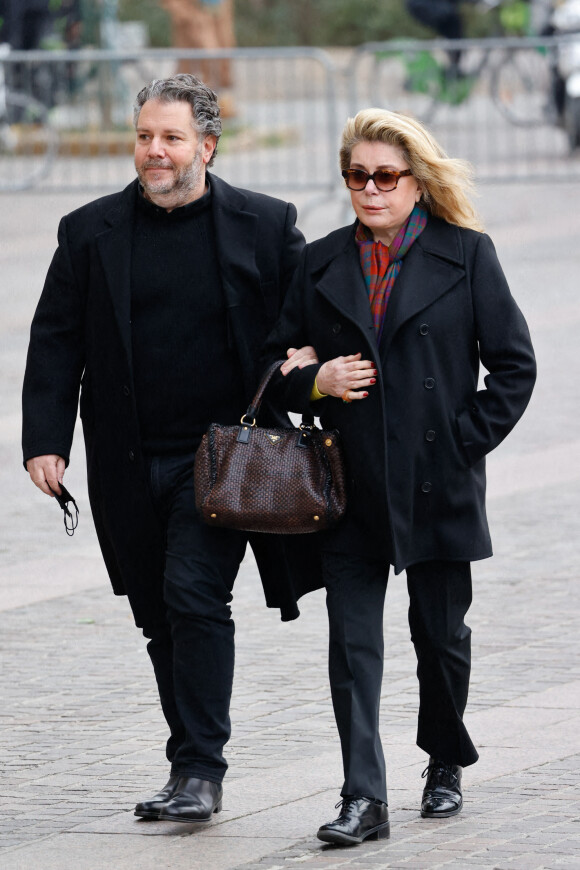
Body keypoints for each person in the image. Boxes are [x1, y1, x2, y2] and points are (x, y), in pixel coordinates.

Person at [21, 73, 315, 824]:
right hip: (124, 458)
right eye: (146, 136)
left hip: (219, 458)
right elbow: (56, 341)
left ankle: (198, 768)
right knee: (156, 611)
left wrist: (310, 377)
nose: (155, 151)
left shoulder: (264, 224)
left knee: (193, 594)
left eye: (172, 138)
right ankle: (189, 757)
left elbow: (303, 327)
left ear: (207, 147)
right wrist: (46, 440)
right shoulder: (88, 232)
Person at [262, 108, 536, 846]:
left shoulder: (467, 255)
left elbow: (514, 367)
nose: (370, 190)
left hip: (437, 481)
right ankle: (364, 798)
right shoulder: (317, 262)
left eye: (385, 176)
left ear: (417, 180)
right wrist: (315, 381)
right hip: (346, 487)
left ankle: (444, 759)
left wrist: (458, 441)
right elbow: (271, 367)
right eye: (357, 177)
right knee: (352, 644)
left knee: (439, 635)